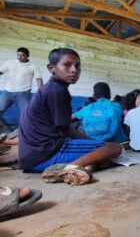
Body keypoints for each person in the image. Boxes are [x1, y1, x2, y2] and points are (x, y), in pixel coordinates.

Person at [18, 48, 122, 184]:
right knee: (114, 148)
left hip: (30, 156)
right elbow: (66, 131)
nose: (74, 70)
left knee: (99, 153)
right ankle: (65, 170)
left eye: (77, 66)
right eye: (67, 65)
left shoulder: (49, 89)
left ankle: (76, 164)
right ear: (51, 68)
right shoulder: (57, 91)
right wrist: (91, 141)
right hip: (46, 154)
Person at [0, 47, 43, 117]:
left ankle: (23, 128)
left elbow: (39, 79)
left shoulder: (33, 66)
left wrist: (41, 92)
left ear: (27, 56)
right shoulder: (10, 63)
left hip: (23, 94)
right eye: (18, 55)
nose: (19, 57)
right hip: (7, 92)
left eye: (22, 55)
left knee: (26, 114)